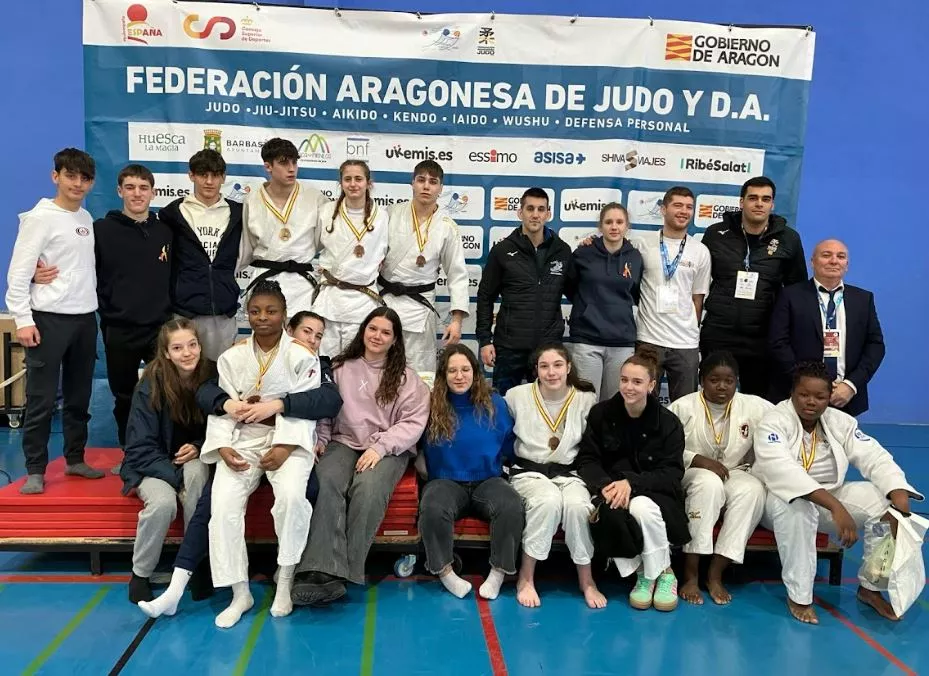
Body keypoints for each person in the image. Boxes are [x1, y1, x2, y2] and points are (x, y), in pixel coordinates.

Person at [138, 311, 341, 620]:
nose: (312, 340)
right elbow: (211, 394)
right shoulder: (237, 357)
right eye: (306, 332)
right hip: (244, 445)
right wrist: (226, 415)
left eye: (318, 335)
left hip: (288, 448)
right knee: (213, 504)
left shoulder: (318, 365)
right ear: (288, 330)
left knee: (305, 492)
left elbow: (327, 401)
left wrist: (281, 422)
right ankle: (195, 587)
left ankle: (289, 574)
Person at [753, 361, 923, 625]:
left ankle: (871, 586)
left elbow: (873, 455)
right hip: (777, 499)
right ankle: (799, 596)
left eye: (820, 397)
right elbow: (782, 471)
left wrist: (897, 491)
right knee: (797, 507)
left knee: (885, 505)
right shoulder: (773, 421)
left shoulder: (839, 421)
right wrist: (835, 506)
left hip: (830, 496)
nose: (811, 402)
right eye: (804, 394)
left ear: (829, 397)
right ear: (792, 392)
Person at [200, 280, 321, 628]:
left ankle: (285, 581)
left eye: (271, 311)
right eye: (255, 311)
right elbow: (222, 407)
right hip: (243, 438)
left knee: (292, 498)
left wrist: (286, 446)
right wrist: (223, 445)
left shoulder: (302, 355)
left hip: (288, 437)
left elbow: (307, 407)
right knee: (222, 506)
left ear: (284, 315)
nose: (262, 317)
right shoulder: (232, 356)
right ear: (247, 314)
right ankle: (240, 592)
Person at [291, 307, 430, 606]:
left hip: (387, 448)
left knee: (368, 488)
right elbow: (325, 409)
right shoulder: (340, 367)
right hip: (343, 440)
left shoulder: (406, 378)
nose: (377, 336)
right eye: (373, 328)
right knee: (327, 481)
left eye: (386, 332)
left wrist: (379, 448)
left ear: (395, 340)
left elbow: (412, 422)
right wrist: (321, 439)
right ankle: (318, 569)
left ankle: (343, 572)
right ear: (363, 331)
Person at [5, 148, 104, 494]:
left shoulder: (85, 218)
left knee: (79, 398)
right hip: (47, 320)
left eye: (85, 178)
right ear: (55, 177)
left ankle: (75, 458)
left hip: (84, 319)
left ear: (91, 183)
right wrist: (23, 319)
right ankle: (35, 469)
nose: (78, 184)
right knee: (42, 400)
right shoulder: (40, 217)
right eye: (70, 176)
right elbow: (18, 272)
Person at [576, 347, 689, 612]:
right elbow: (587, 460)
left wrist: (631, 483)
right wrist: (605, 485)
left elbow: (672, 473)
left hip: (655, 492)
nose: (629, 387)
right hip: (610, 490)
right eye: (624, 380)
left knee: (641, 506)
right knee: (615, 513)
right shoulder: (601, 413)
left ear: (651, 385)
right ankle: (656, 571)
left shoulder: (669, 423)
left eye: (637, 382)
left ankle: (653, 574)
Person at [504, 343, 605, 609]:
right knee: (547, 501)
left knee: (578, 506)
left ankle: (587, 580)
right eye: (544, 366)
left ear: (569, 367)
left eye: (558, 365)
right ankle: (526, 577)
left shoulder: (585, 398)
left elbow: (594, 445)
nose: (551, 372)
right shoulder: (516, 396)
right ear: (535, 370)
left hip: (569, 472)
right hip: (528, 472)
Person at [418, 344, 523, 600]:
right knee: (432, 507)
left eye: (465, 369)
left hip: (488, 480)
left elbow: (509, 444)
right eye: (452, 370)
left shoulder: (495, 404)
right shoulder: (431, 405)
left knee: (510, 504)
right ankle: (445, 572)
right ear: (443, 375)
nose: (459, 376)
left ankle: (498, 572)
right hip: (445, 482)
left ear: (475, 373)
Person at [668, 352, 772, 605]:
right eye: (714, 380)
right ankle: (691, 573)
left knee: (753, 490)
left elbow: (784, 420)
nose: (722, 386)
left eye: (729, 381)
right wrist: (697, 459)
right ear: (701, 380)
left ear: (737, 381)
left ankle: (716, 572)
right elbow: (664, 448)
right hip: (692, 473)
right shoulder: (682, 407)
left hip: (735, 471)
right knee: (708, 483)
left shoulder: (755, 406)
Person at [120, 319, 212, 603]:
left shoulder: (212, 374)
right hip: (151, 464)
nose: (187, 353)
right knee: (163, 504)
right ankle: (141, 573)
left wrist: (198, 446)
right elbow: (139, 447)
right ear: (166, 353)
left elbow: (221, 426)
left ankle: (194, 563)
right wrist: (174, 477)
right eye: (178, 348)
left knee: (197, 477)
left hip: (194, 457)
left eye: (192, 345)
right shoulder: (150, 384)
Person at [700, 176, 807, 397]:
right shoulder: (715, 234)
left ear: (772, 204)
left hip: (763, 337)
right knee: (714, 397)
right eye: (753, 198)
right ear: (741, 202)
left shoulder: (789, 239)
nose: (759, 204)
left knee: (759, 403)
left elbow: (797, 291)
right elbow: (696, 280)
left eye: (765, 199)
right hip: (719, 333)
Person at [769, 239, 885, 416]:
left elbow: (875, 346)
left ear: (847, 265)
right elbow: (778, 343)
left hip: (846, 396)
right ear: (812, 262)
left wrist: (851, 385)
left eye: (841, 256)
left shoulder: (863, 299)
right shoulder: (790, 295)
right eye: (826, 255)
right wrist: (807, 384)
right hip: (800, 395)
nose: (834, 261)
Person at [477, 188, 571, 395]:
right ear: (520, 212)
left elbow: (578, 293)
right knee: (504, 405)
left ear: (548, 214)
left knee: (547, 407)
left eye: (541, 209)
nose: (535, 214)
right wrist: (484, 340)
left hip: (548, 350)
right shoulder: (502, 251)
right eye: (530, 209)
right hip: (509, 347)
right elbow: (485, 297)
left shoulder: (563, 251)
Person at [380, 161, 469, 375]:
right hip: (384, 301)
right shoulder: (391, 214)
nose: (426, 186)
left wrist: (456, 321)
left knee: (418, 372)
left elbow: (457, 275)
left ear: (440, 188)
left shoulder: (447, 227)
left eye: (433, 182)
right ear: (412, 183)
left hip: (420, 306)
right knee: (379, 365)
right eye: (421, 180)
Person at [158, 149, 244, 362]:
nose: (209, 181)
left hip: (223, 313)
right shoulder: (172, 213)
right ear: (191, 175)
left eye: (215, 175)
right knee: (183, 374)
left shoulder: (239, 213)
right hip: (185, 312)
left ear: (223, 177)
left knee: (221, 373)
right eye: (203, 175)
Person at [632, 187, 711, 402]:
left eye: (689, 207)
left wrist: (689, 328)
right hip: (648, 339)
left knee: (685, 408)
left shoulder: (700, 251)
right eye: (678, 205)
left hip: (685, 343)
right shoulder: (641, 244)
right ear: (663, 209)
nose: (684, 211)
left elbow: (697, 298)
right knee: (642, 405)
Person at [240, 138, 329, 313]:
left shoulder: (315, 198)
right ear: (268, 166)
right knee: (265, 330)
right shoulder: (252, 200)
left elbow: (324, 240)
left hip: (301, 285)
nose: (291, 168)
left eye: (294, 162)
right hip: (264, 279)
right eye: (284, 163)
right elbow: (246, 245)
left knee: (302, 330)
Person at [564, 202, 643, 401]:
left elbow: (635, 293)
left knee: (615, 403)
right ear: (600, 226)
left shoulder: (635, 257)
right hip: (587, 340)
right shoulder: (583, 253)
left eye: (619, 222)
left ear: (627, 226)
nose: (614, 227)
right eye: (608, 222)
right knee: (585, 401)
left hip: (622, 342)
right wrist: (589, 308)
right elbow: (570, 287)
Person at [311, 160, 389, 358]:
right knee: (325, 360)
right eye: (347, 179)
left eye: (358, 179)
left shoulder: (382, 216)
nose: (353, 184)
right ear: (341, 183)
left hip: (363, 300)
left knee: (356, 362)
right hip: (330, 298)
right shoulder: (326, 212)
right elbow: (312, 245)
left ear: (368, 183)